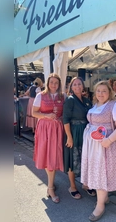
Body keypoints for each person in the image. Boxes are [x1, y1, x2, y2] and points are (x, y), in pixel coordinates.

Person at [81, 81, 116, 221]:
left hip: (105, 145)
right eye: (98, 91)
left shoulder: (115, 105)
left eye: (104, 91)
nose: (101, 93)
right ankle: (104, 197)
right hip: (92, 146)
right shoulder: (95, 105)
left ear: (110, 93)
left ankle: (100, 205)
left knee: (102, 172)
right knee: (97, 171)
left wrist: (108, 140)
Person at [32, 73, 66, 203]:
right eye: (51, 82)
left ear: (59, 84)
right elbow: (34, 113)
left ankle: (50, 185)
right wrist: (46, 116)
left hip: (57, 128)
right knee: (47, 155)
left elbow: (65, 113)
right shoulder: (40, 95)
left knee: (53, 155)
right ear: (47, 83)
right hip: (44, 128)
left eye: (56, 83)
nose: (54, 85)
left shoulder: (63, 96)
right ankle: (50, 187)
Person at [63, 77, 93, 200]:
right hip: (74, 132)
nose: (77, 86)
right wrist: (69, 137)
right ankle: (72, 186)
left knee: (85, 158)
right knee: (73, 158)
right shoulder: (70, 100)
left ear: (83, 86)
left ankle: (86, 184)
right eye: (74, 84)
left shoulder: (86, 100)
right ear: (71, 87)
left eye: (79, 84)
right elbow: (65, 119)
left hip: (85, 132)